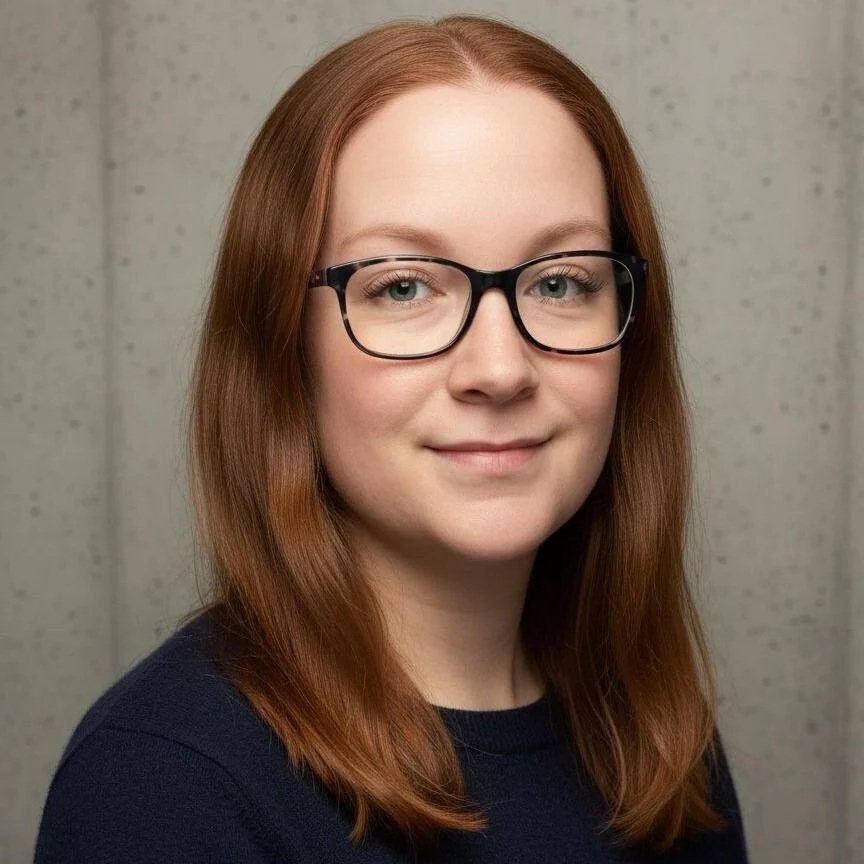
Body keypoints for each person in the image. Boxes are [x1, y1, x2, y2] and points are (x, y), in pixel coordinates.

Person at [34, 13, 750, 863]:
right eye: (404, 287)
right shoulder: (159, 788)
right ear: (281, 351)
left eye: (561, 281)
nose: (499, 367)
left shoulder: (662, 749)